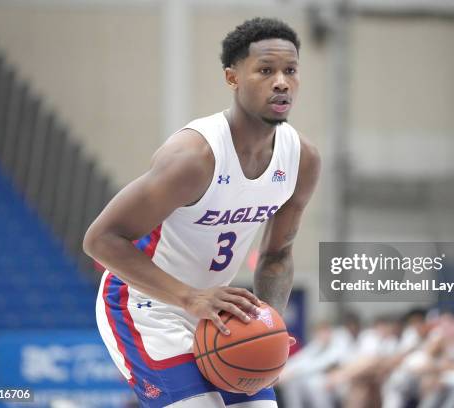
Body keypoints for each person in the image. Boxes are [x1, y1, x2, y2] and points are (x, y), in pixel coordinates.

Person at [83, 17, 320, 408]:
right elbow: (100, 240)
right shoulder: (195, 158)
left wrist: (270, 325)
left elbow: (277, 255)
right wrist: (188, 298)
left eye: (290, 71)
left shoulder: (303, 159)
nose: (281, 82)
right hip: (144, 304)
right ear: (232, 78)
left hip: (216, 310)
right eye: (265, 70)